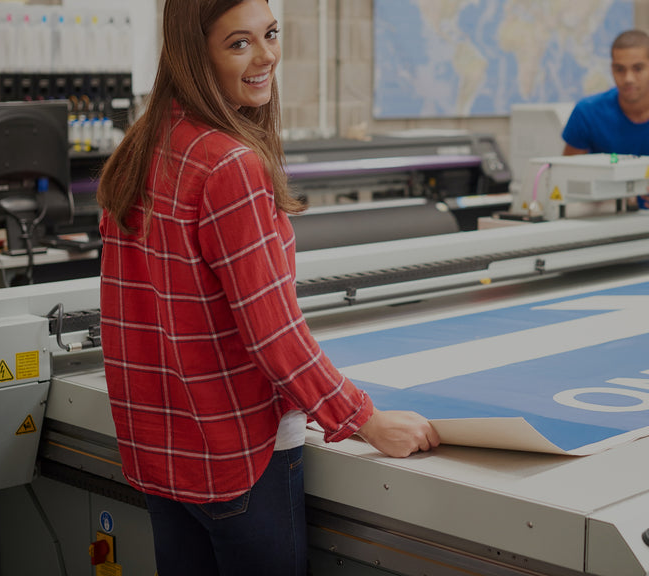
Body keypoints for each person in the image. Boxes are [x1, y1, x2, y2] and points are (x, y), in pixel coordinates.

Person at [94, 0, 440, 574]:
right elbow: (271, 331)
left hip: (160, 454)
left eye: (270, 35)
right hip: (238, 459)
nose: (266, 57)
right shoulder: (228, 164)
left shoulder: (141, 147)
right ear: (194, 53)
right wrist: (363, 418)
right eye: (239, 43)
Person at [562, 30, 649, 213]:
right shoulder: (586, 112)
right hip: (600, 214)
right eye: (620, 69)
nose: (628, 78)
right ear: (612, 69)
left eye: (638, 68)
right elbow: (566, 178)